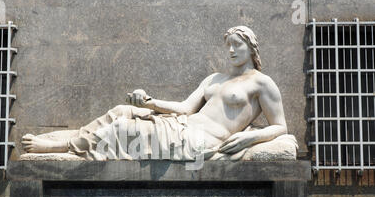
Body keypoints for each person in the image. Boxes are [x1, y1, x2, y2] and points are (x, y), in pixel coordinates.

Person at [22, 26, 288, 161]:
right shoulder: (215, 78)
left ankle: (64, 147)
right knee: (123, 111)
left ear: (251, 47)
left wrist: (246, 139)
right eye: (228, 45)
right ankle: (80, 137)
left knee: (124, 130)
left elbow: (280, 127)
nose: (230, 51)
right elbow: (185, 108)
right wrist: (149, 101)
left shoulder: (262, 83)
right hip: (182, 124)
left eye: (237, 45)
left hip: (200, 140)